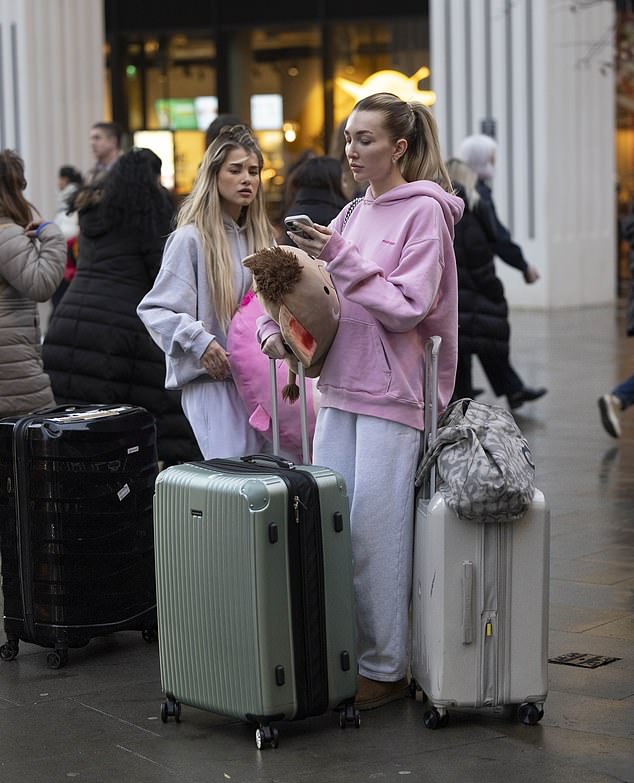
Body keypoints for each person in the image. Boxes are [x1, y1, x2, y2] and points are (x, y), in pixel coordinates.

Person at [261, 92, 463, 710]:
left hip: (395, 397)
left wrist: (341, 259)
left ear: (398, 147)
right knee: (333, 528)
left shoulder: (424, 214)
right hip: (341, 388)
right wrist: (289, 330)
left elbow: (409, 306)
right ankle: (349, 652)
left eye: (366, 139)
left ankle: (386, 665)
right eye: (349, 137)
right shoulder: (348, 214)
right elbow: (338, 305)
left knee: (376, 536)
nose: (352, 149)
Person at [42, 148, 200, 465]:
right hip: (122, 327)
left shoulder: (93, 211)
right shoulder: (150, 213)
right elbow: (162, 275)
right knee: (157, 418)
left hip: (69, 320)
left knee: (79, 428)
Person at [137, 125, 278, 460]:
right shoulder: (191, 239)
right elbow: (156, 310)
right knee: (236, 487)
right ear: (214, 175)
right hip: (214, 384)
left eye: (254, 171)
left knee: (272, 482)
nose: (247, 179)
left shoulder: (263, 240)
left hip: (262, 382)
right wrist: (199, 342)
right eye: (236, 169)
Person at [446, 158, 547, 408]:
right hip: (473, 294)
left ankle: (501, 392)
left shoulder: (443, 211)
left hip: (453, 297)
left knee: (466, 349)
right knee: (478, 344)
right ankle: (473, 404)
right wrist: (495, 288)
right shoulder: (474, 210)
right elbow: (489, 251)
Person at [0, 149, 66, 416]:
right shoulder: (7, 234)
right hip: (13, 368)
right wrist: (51, 234)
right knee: (29, 445)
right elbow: (41, 284)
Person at [283, 155, 348, 246]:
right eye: (344, 181)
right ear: (334, 183)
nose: (346, 186)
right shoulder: (342, 216)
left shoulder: (293, 211)